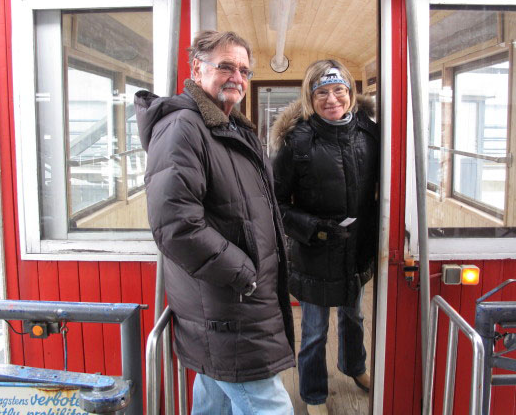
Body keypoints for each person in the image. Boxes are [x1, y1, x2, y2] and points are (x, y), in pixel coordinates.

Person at [135, 30, 295, 415]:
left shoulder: (233, 128)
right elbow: (176, 224)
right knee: (270, 406)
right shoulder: (183, 128)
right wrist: (244, 271)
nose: (236, 77)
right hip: (228, 304)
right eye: (225, 66)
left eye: (243, 69)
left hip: (237, 304)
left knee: (215, 400)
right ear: (197, 69)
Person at [270, 59, 380, 415]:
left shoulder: (371, 133)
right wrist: (315, 228)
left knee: (354, 317)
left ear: (349, 93)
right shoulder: (296, 141)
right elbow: (274, 203)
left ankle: (355, 367)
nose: (331, 99)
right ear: (310, 97)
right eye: (322, 93)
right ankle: (314, 394)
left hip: (355, 249)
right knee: (314, 329)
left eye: (338, 90)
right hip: (313, 251)